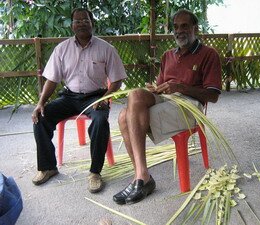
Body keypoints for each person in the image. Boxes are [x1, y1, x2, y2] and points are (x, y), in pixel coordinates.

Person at [113, 9, 222, 205]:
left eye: (185, 26)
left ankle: (141, 179)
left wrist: (180, 87)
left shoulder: (209, 54)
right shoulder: (167, 56)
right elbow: (161, 89)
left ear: (195, 28)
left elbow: (213, 96)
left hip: (190, 105)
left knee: (125, 118)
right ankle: (142, 175)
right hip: (167, 99)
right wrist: (155, 89)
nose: (179, 31)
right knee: (134, 97)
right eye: (176, 27)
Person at [31, 8, 127, 193]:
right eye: (77, 20)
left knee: (100, 121)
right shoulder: (62, 49)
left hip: (96, 97)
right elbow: (52, 79)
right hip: (69, 96)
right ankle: (48, 167)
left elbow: (117, 79)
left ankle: (95, 173)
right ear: (72, 25)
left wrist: (106, 97)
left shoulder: (106, 49)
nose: (81, 23)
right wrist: (40, 103)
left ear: (93, 23)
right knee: (41, 118)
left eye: (86, 20)